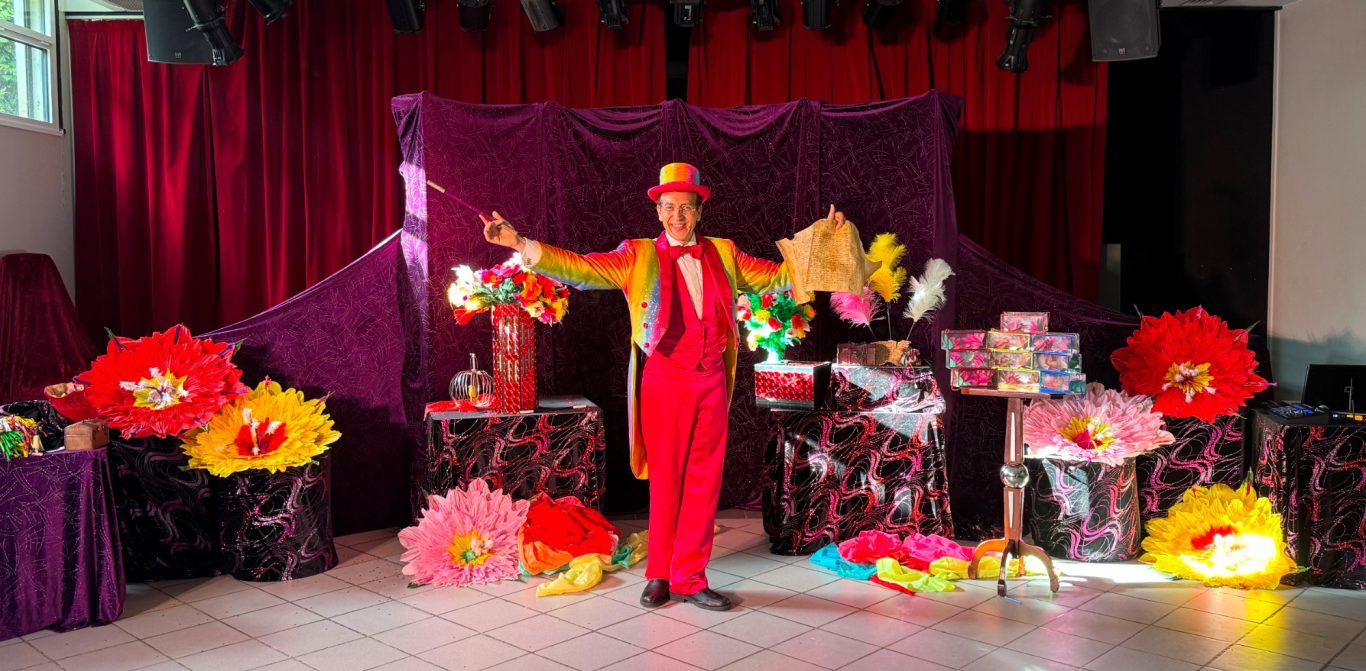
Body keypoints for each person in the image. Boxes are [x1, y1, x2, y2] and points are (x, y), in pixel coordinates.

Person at [481, 162, 846, 611]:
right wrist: (520, 244)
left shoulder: (725, 253)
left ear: (698, 212)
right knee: (667, 479)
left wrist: (825, 241)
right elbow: (580, 269)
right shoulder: (637, 255)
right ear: (658, 212)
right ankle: (659, 575)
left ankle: (691, 578)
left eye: (686, 207)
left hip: (712, 378)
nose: (677, 216)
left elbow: (777, 277)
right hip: (664, 379)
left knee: (703, 481)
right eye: (669, 207)